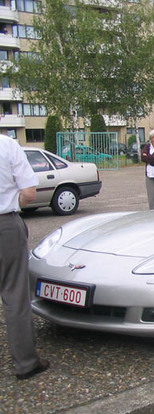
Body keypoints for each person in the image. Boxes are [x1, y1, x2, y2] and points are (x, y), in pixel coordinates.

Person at [0, 134, 50, 380]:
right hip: (4, 226)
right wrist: (11, 202)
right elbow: (29, 193)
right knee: (15, 295)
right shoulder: (7, 145)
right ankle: (25, 362)